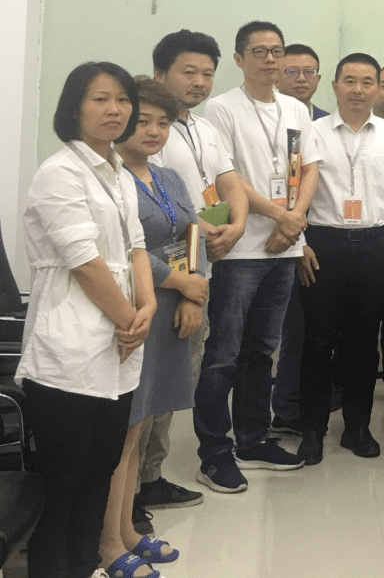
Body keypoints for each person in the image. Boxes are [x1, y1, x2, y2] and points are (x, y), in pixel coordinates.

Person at [18, 63, 153, 578]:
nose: (114, 110)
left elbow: (136, 247)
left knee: (101, 470)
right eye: (100, 99)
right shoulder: (60, 171)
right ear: (74, 107)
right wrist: (131, 319)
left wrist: (147, 307)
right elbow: (85, 263)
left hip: (119, 345)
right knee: (66, 478)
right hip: (70, 348)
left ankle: (86, 565)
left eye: (122, 99)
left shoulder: (117, 170)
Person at [104, 78, 210, 574]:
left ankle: (126, 529)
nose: (153, 130)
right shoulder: (110, 177)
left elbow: (193, 231)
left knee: (142, 425)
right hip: (136, 310)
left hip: (174, 311)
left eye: (163, 123)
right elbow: (127, 249)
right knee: (123, 432)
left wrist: (192, 292)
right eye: (143, 120)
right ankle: (109, 540)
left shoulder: (168, 177)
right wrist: (182, 283)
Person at [199, 21, 310, 492]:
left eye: (276, 51)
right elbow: (227, 178)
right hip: (240, 249)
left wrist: (295, 219)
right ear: (239, 59)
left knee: (263, 350)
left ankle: (253, 438)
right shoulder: (220, 108)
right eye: (259, 51)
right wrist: (279, 215)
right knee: (223, 354)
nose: (269, 59)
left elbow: (308, 168)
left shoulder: (296, 108)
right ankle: (214, 452)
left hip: (286, 246)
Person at [144, 29, 247, 523]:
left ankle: (149, 478)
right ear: (160, 73)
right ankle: (130, 487)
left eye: (207, 73)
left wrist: (235, 225)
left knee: (175, 378)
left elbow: (227, 184)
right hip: (167, 271)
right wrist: (202, 234)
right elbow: (167, 213)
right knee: (149, 383)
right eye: (189, 71)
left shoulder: (203, 128)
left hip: (201, 266)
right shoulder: (149, 134)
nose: (200, 82)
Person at [294, 53, 384, 465]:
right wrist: (299, 242)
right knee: (317, 341)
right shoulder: (311, 132)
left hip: (374, 245)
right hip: (322, 244)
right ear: (334, 86)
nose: (358, 90)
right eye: (350, 81)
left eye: (367, 82)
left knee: (364, 342)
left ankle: (357, 428)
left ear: (377, 88)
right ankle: (312, 430)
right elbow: (294, 192)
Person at [278, 44, 328, 119]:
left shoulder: (330, 122)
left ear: (318, 79)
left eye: (309, 72)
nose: (301, 78)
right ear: (275, 80)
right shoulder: (262, 118)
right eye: (292, 72)